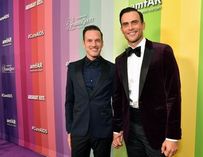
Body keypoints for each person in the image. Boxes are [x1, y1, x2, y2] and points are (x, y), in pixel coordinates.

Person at [112, 7, 181, 157]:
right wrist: (118, 129)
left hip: (157, 130)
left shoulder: (162, 52)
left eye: (134, 22)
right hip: (131, 128)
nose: (130, 28)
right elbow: (118, 98)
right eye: (125, 24)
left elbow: (173, 96)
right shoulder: (119, 60)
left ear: (143, 25)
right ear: (122, 29)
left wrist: (172, 136)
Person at [65, 25, 114, 157]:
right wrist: (70, 130)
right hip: (79, 131)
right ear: (84, 43)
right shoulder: (72, 68)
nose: (94, 44)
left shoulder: (112, 69)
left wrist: (116, 130)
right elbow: (69, 101)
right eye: (90, 40)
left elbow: (117, 101)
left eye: (97, 40)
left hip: (103, 131)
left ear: (102, 43)